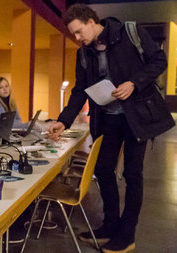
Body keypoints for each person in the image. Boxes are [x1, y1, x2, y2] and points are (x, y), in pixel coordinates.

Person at [48, 4, 174, 253]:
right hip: (107, 119)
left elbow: (160, 60)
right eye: (73, 34)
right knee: (104, 170)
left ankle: (127, 235)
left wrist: (134, 83)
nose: (77, 38)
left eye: (79, 31)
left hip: (136, 117)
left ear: (92, 21)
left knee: (132, 175)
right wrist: (64, 119)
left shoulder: (130, 32)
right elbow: (79, 89)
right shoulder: (84, 53)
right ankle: (110, 226)